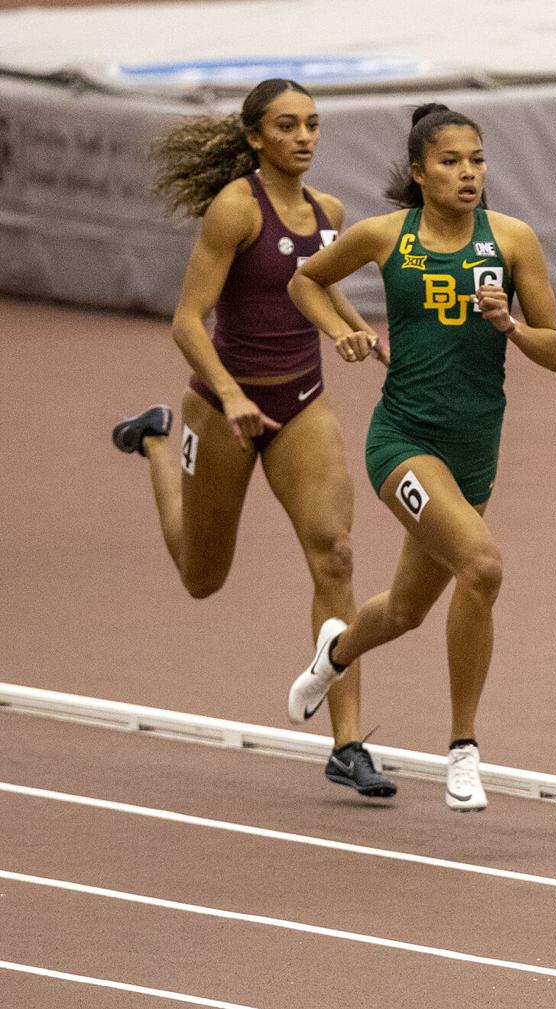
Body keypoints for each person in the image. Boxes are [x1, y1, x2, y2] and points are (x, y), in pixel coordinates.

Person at [112, 78, 396, 799]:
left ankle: (347, 743)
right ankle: (153, 442)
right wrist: (232, 395)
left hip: (301, 405)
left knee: (334, 554)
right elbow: (187, 320)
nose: (304, 137)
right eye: (287, 126)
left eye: (313, 125)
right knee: (201, 577)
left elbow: (319, 287)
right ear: (254, 137)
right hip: (221, 407)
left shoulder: (329, 213)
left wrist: (355, 330)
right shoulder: (235, 210)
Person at [284, 102, 556, 813]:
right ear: (418, 172)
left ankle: (335, 655)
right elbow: (306, 280)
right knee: (483, 565)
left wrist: (512, 324)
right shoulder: (385, 236)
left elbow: (555, 350)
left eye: (476, 161)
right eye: (450, 162)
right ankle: (463, 750)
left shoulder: (512, 241)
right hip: (403, 442)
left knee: (407, 609)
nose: (467, 174)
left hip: (475, 454)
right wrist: (342, 333)